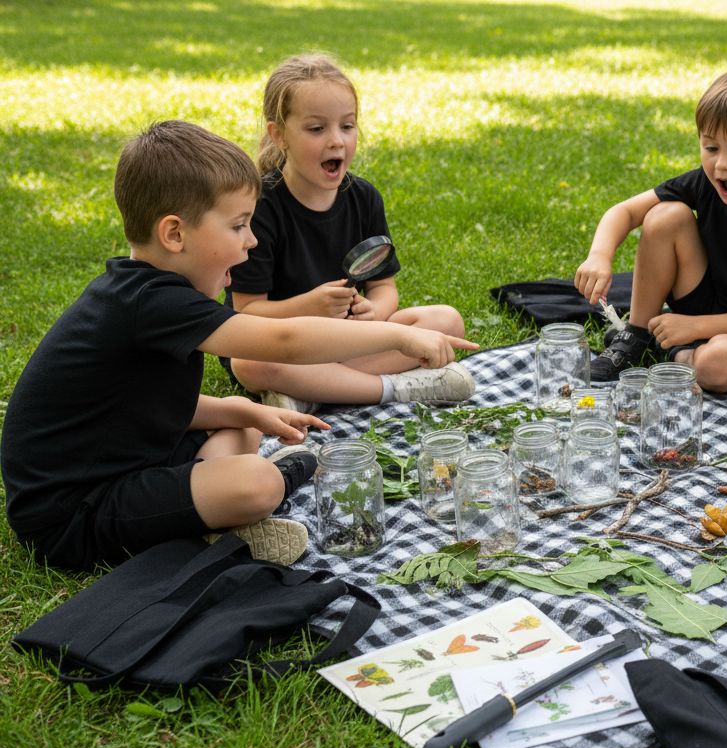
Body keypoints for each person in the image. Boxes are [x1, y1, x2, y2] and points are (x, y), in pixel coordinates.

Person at [0, 121, 477, 572]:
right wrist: (399, 334)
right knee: (259, 481)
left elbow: (143, 408)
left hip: (129, 460)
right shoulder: (152, 301)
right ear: (174, 233)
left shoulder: (146, 293)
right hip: (72, 513)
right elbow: (284, 339)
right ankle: (243, 508)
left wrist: (248, 413)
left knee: (244, 433)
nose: (250, 241)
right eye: (237, 226)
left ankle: (213, 520)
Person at [225, 53, 472, 413]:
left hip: (347, 340)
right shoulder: (261, 207)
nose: (336, 141)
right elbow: (246, 313)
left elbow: (384, 287)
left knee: (446, 321)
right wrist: (309, 306)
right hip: (283, 346)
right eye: (316, 129)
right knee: (247, 363)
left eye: (347, 126)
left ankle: (310, 392)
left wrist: (374, 311)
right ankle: (393, 388)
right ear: (278, 135)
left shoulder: (364, 197)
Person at [573, 67, 727, 391]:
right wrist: (599, 256)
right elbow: (624, 211)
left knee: (716, 365)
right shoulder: (704, 182)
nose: (722, 164)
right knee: (665, 216)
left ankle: (677, 352)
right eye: (711, 147)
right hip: (706, 305)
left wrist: (692, 326)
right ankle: (637, 334)